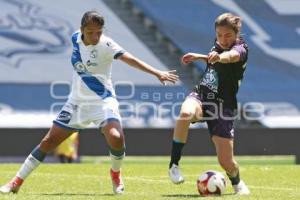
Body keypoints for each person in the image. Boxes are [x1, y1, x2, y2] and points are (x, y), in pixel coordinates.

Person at [0, 10, 178, 195]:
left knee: (116, 137)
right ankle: (16, 181)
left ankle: (115, 174)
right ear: (82, 29)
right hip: (76, 102)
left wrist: (157, 72)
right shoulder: (75, 38)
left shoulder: (107, 45)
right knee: (48, 142)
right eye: (91, 32)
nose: (95, 36)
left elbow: (130, 59)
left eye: (99, 32)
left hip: (103, 101)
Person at [168, 13, 250, 195]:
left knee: (226, 162)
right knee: (185, 114)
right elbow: (216, 57)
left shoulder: (241, 49)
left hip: (223, 106)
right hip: (202, 96)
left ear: (236, 34)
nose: (223, 39)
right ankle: (174, 164)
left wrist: (219, 57)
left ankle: (236, 181)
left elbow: (230, 56)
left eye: (228, 35)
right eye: (219, 35)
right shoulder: (218, 43)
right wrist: (200, 56)